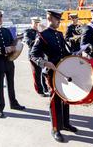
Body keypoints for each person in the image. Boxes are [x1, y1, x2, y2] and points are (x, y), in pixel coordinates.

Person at [30, 9, 77, 143]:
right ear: (50, 18)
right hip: (51, 72)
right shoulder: (43, 35)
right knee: (55, 100)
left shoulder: (59, 34)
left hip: (63, 70)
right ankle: (55, 128)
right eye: (57, 19)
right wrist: (44, 62)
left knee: (66, 97)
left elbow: (65, 52)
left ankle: (65, 124)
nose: (59, 22)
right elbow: (33, 55)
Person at [0, 10, 25, 118]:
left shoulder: (6, 31)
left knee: (11, 84)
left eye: (1, 17)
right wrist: (4, 49)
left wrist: (17, 40)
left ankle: (14, 103)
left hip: (9, 61)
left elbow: (11, 43)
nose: (0, 19)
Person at [23, 17, 49, 97]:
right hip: (33, 55)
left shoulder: (41, 32)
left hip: (42, 54)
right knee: (37, 74)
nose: (37, 25)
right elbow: (28, 42)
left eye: (38, 23)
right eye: (35, 23)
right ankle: (40, 91)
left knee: (44, 73)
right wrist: (37, 40)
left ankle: (45, 88)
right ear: (32, 22)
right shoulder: (28, 31)